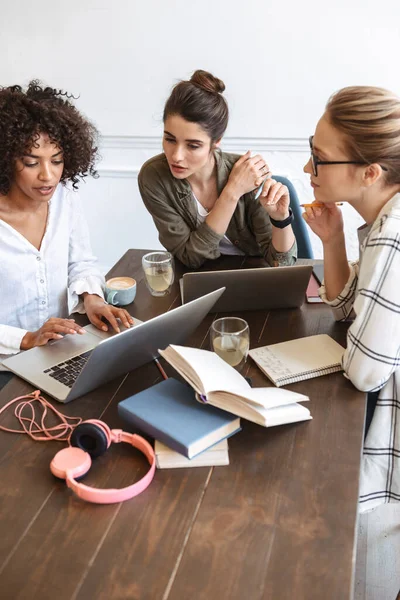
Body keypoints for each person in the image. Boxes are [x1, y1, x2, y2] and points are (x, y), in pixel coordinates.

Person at [302, 86, 400, 512]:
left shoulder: (394, 235)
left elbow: (365, 371)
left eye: (320, 158)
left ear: (369, 173)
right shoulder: (381, 223)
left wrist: (359, 337)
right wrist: (332, 238)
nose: (309, 166)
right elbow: (347, 312)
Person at [0, 81, 134, 383]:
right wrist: (27, 339)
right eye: (31, 162)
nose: (48, 175)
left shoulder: (63, 198)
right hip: (8, 367)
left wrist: (92, 299)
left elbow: (81, 262)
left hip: (61, 352)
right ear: (6, 158)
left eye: (57, 160)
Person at [139, 70, 297, 269]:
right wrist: (231, 193)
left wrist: (280, 219)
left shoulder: (249, 174)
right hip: (196, 281)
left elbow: (281, 263)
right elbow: (189, 257)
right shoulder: (154, 177)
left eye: (193, 145)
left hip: (253, 279)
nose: (176, 156)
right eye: (170, 139)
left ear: (216, 142)